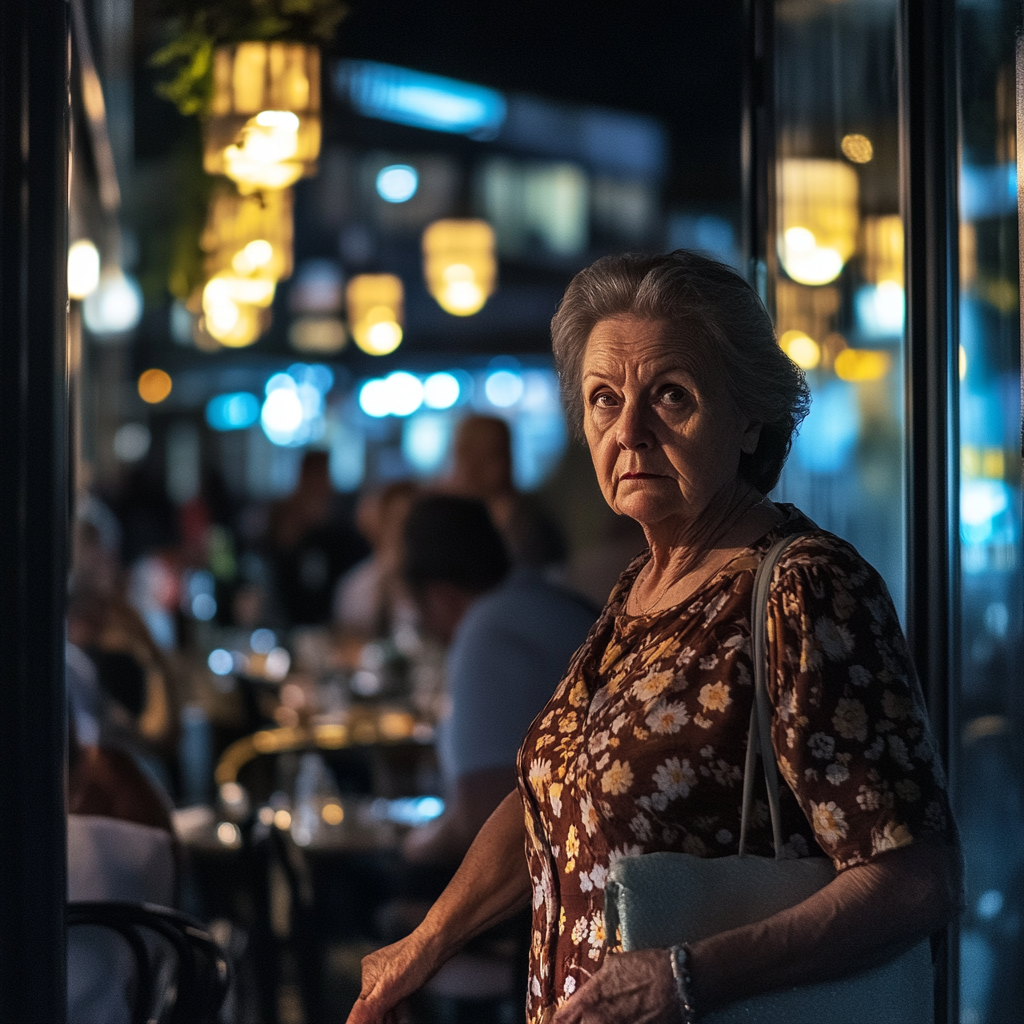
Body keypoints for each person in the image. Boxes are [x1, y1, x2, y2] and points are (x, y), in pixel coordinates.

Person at [347, 251, 962, 1024]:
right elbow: (550, 803)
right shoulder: (636, 591)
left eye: (670, 395)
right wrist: (427, 941)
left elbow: (918, 877)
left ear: (747, 417)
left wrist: (686, 977)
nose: (629, 430)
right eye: (604, 399)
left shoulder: (804, 590)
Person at [399, 494, 598, 866]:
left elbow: (481, 819)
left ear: (442, 598)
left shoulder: (485, 629)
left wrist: (412, 846)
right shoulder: (545, 602)